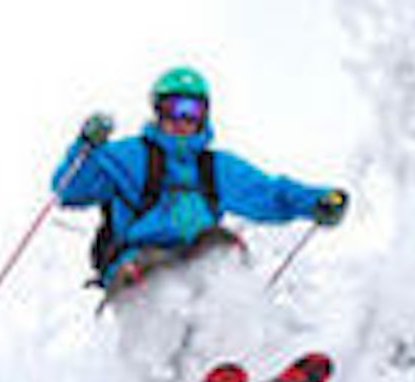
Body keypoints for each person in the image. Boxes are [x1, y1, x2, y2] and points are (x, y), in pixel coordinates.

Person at [52, 66, 349, 297]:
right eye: (173, 108)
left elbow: (270, 195)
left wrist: (315, 202)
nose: (182, 119)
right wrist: (86, 148)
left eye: (191, 110)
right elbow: (69, 190)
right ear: (157, 111)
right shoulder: (129, 156)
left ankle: (227, 349)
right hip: (139, 264)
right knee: (158, 276)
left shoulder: (215, 167)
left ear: (204, 115)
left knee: (221, 248)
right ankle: (152, 362)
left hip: (195, 260)